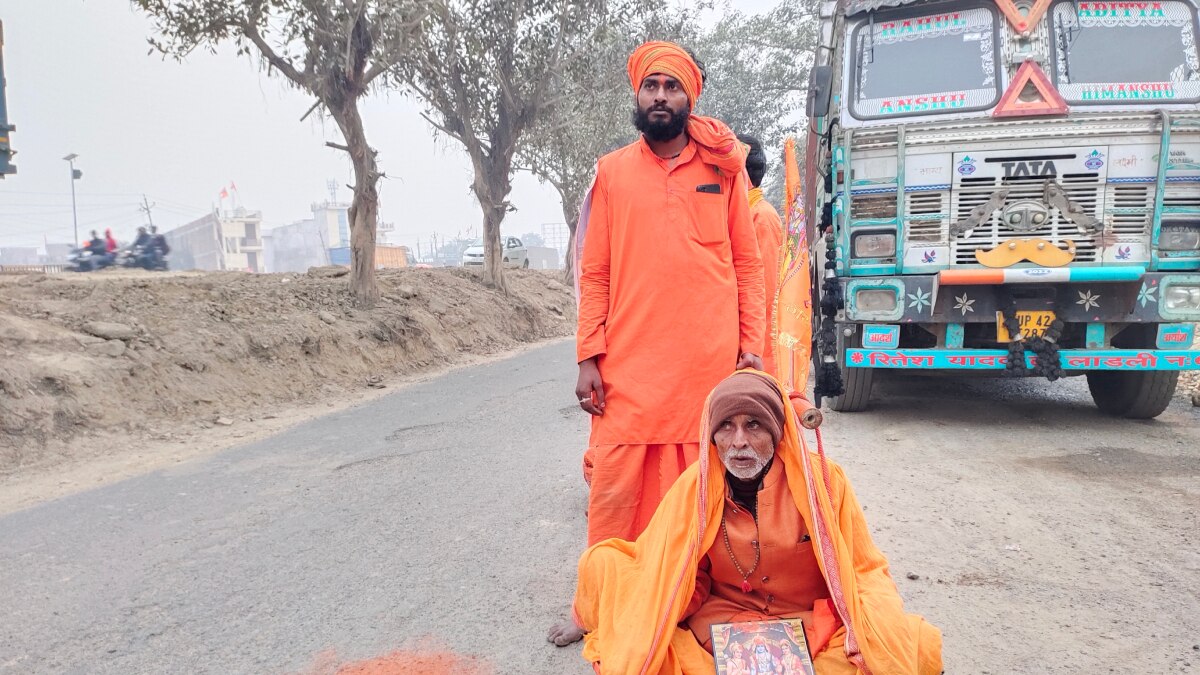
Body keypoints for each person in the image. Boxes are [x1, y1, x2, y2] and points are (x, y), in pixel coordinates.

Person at [551, 40, 767, 647]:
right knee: (615, 498)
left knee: (702, 500)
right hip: (629, 370)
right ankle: (592, 609)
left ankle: (687, 603)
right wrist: (588, 355)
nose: (662, 98)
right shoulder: (612, 173)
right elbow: (594, 272)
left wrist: (752, 348)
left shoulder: (721, 169)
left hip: (706, 370)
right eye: (652, 87)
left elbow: (746, 265)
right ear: (637, 96)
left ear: (690, 96)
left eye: (673, 88)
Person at [572, 371, 943, 674]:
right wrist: (665, 611)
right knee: (612, 576)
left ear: (777, 432)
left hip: (807, 625)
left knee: (899, 645)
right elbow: (681, 569)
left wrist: (872, 631)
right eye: (726, 427)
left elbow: (861, 569)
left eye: (753, 425)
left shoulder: (825, 483)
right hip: (722, 621)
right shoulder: (694, 488)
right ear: (711, 436)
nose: (738, 442)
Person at [738, 133, 785, 375]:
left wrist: (748, 345)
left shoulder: (761, 216)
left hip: (758, 348)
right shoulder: (744, 213)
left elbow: (764, 292)